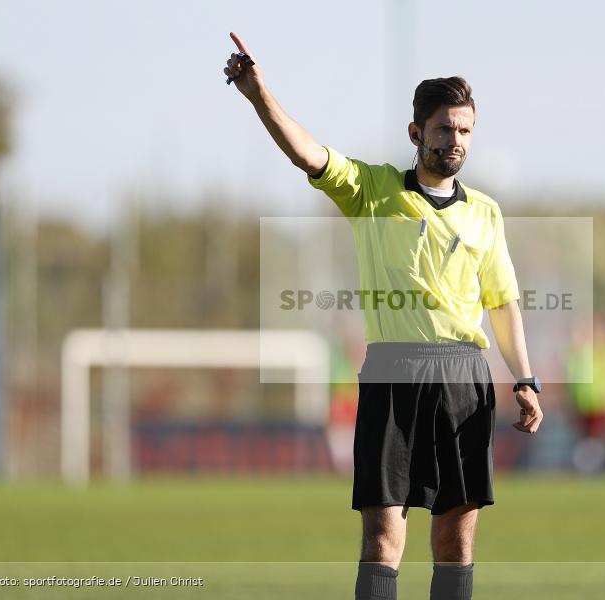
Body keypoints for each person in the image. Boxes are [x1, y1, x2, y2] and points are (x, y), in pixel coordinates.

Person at [223, 32, 544, 600]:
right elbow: (307, 151)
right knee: (381, 540)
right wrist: (257, 95)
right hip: (392, 377)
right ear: (416, 132)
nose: (456, 140)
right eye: (444, 128)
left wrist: (524, 378)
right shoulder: (371, 189)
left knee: (456, 543)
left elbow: (502, 303)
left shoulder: (486, 214)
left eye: (465, 130)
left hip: (464, 379)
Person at [564, 323, 605, 473]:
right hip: (581, 402)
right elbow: (570, 377)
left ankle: (593, 467)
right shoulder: (578, 353)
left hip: (600, 401)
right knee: (585, 438)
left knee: (597, 438)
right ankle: (588, 468)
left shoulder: (603, 352)